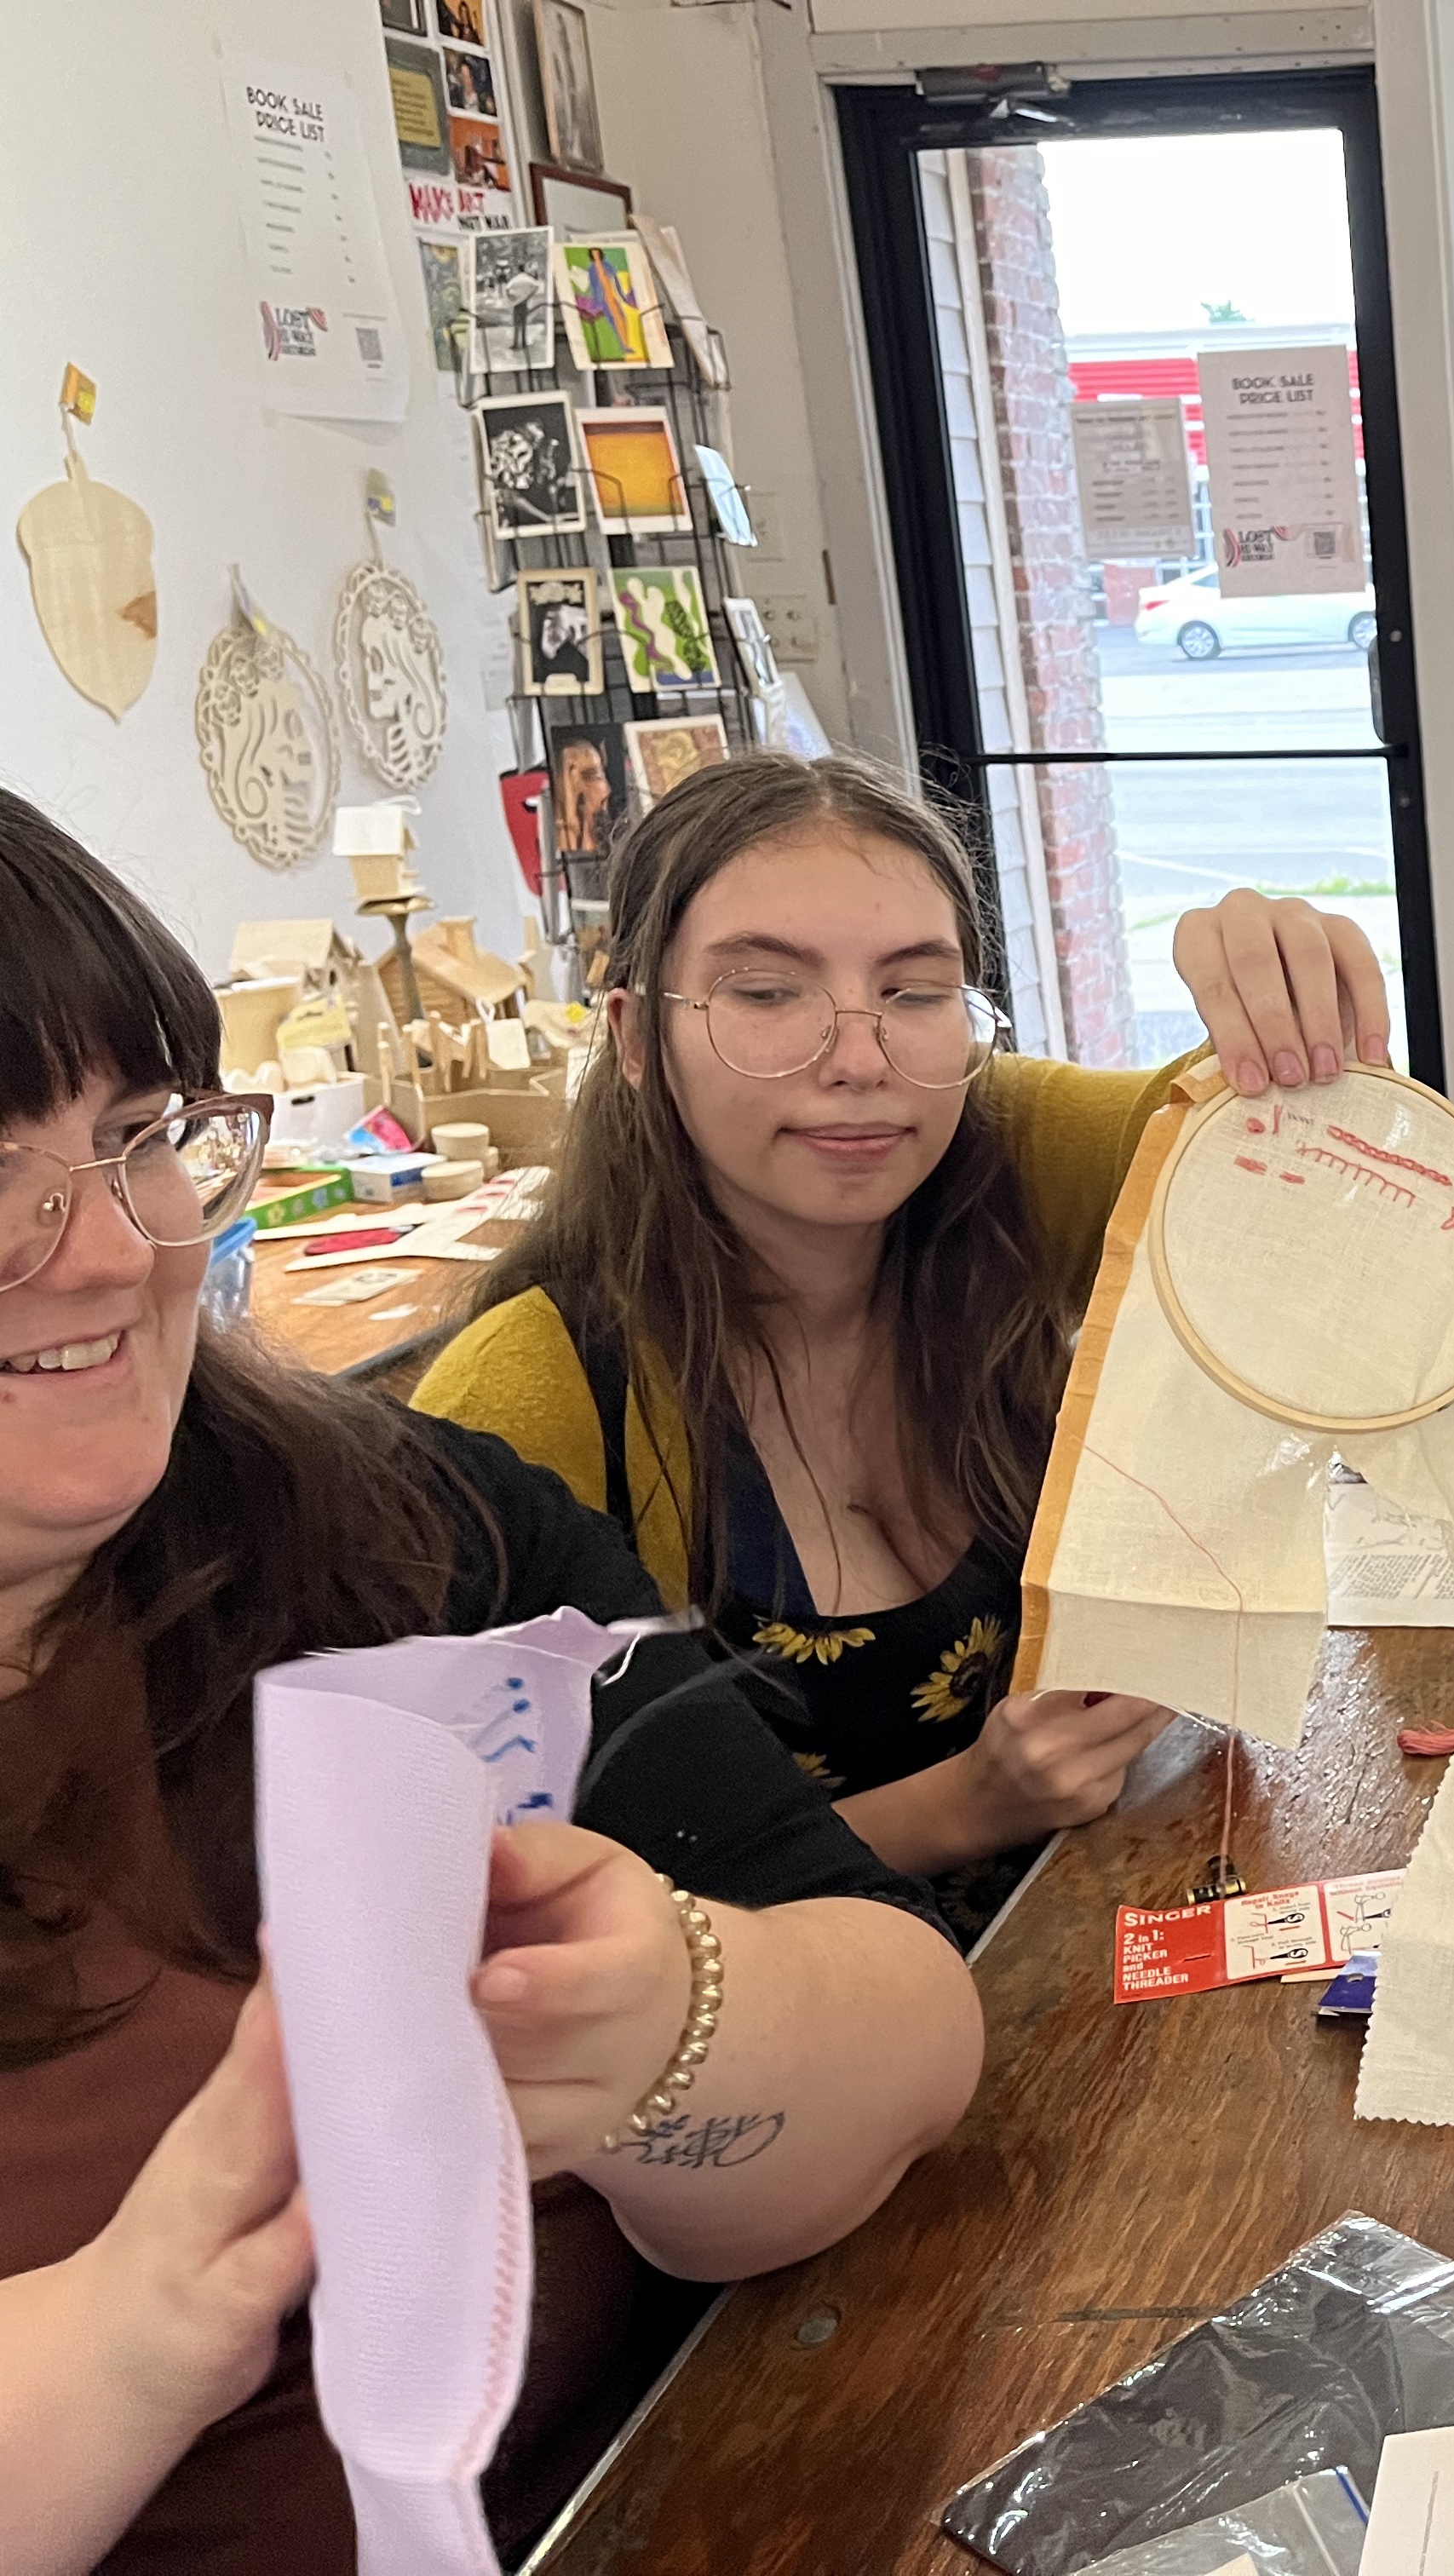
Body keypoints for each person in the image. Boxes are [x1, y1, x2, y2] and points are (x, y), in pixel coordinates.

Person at [0, 791, 983, 2572]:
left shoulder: (400, 1533)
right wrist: (138, 2321)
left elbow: (908, 2024)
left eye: (141, 1132)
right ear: (638, 1035)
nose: (116, 1247)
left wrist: (668, 2027)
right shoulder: (557, 1371)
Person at [415, 754, 1392, 1940]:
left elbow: (1286, 1172)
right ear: (633, 1035)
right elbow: (505, 1909)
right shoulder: (529, 1399)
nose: (861, 1059)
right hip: (775, 2027)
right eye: (766, 992)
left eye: (916, 992)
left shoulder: (986, 1148)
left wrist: (1277, 989)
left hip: (1077, 1953)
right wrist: (961, 1806)